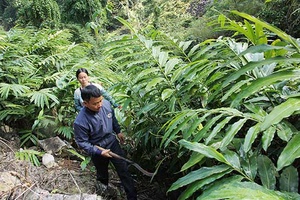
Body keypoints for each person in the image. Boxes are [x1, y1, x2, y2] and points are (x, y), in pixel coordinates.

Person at [73, 84, 137, 200]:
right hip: (98, 149)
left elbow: (112, 118)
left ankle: (132, 198)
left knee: (124, 171)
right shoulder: (80, 122)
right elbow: (82, 142)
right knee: (102, 175)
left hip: (112, 143)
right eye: (95, 103)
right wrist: (98, 151)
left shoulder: (106, 105)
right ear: (85, 103)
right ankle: (103, 196)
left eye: (100, 101)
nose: (99, 105)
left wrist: (118, 131)